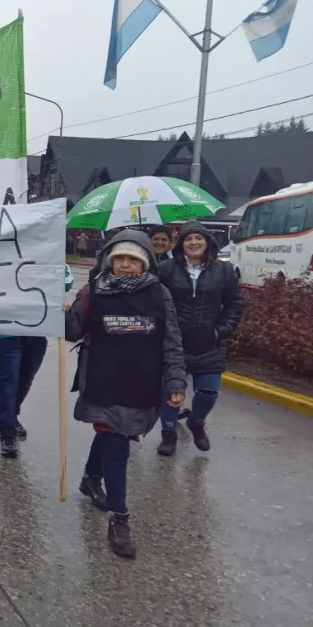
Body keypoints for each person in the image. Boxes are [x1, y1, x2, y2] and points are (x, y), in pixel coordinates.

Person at [65, 231, 186, 559]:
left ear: (144, 262)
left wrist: (176, 383)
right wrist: (68, 310)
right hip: (103, 383)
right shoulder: (92, 292)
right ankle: (120, 520)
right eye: (120, 258)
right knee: (116, 444)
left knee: (115, 435)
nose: (125, 265)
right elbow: (71, 333)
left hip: (142, 385)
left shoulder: (159, 295)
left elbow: (172, 342)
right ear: (110, 260)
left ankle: (91, 478)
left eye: (132, 259)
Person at [156, 221, 244, 456]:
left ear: (208, 242)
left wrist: (221, 330)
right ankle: (168, 433)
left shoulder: (224, 270)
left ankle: (196, 421)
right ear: (181, 244)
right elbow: (153, 302)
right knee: (170, 392)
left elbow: (235, 303)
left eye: (199, 238)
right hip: (173, 343)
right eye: (188, 239)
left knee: (208, 392)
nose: (193, 242)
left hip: (209, 344)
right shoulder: (166, 270)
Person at [0, 264, 74, 457]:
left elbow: (67, 283)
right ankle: (7, 431)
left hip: (37, 326)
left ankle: (13, 414)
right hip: (8, 326)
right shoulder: (5, 256)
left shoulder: (50, 258)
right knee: (9, 375)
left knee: (27, 374)